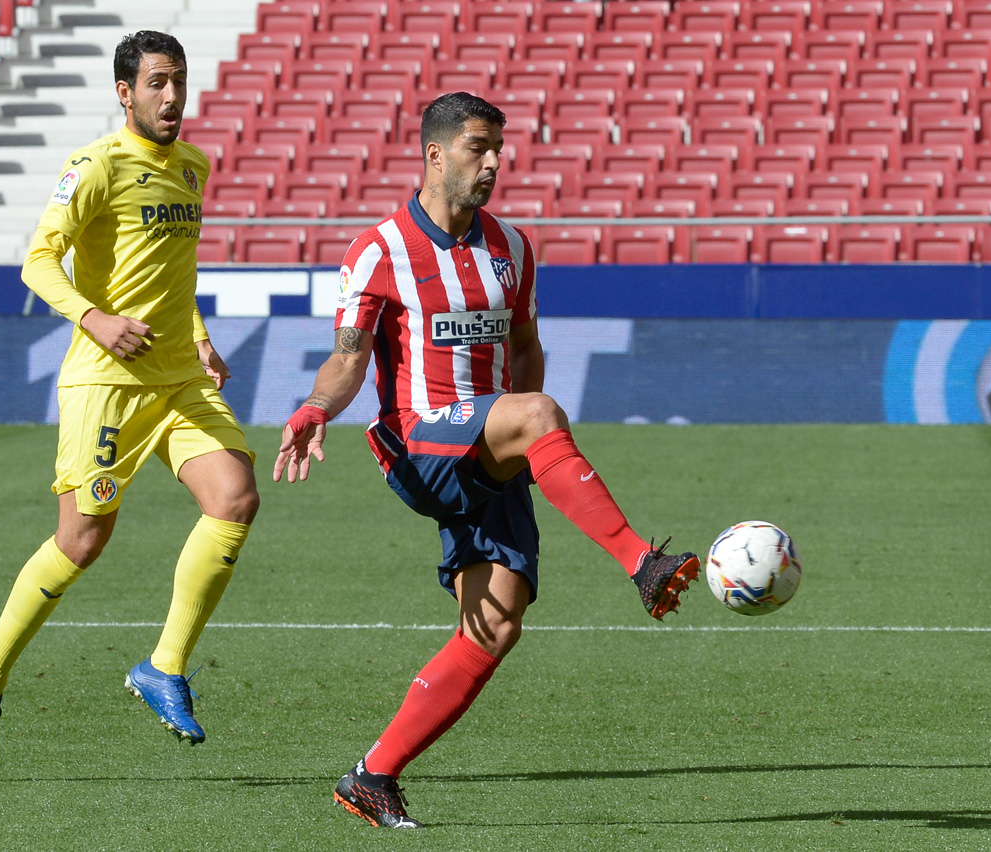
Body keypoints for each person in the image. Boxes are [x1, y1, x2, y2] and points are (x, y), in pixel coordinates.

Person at [273, 91, 700, 828]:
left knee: (496, 623)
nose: (494, 162)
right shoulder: (378, 252)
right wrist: (316, 407)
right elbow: (346, 362)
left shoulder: (512, 248)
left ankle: (371, 777)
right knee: (537, 413)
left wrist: (532, 445)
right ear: (435, 154)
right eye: (478, 147)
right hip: (421, 445)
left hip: (491, 445)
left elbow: (526, 349)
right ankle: (642, 562)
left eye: (499, 149)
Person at [0, 30, 260, 770]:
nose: (172, 96)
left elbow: (169, 272)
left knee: (236, 496)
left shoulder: (192, 167)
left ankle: (164, 668)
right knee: (84, 541)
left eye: (178, 81)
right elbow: (37, 260)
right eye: (156, 82)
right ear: (124, 92)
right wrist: (94, 318)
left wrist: (200, 336)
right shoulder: (93, 167)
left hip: (178, 378)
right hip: (106, 382)